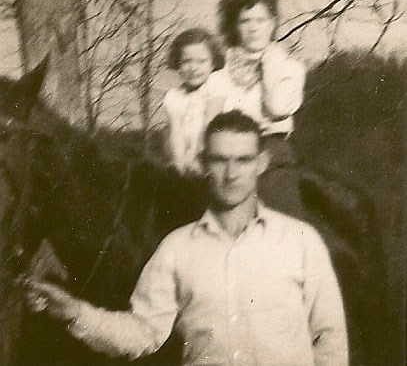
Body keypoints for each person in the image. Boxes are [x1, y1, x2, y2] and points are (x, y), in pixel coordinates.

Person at [26, 111, 348, 366]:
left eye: (243, 160)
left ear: (261, 164)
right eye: (219, 160)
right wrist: (75, 312)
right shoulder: (176, 248)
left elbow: (330, 338)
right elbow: (142, 333)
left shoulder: (301, 241)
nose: (231, 174)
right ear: (203, 163)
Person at [206, 0, 306, 168]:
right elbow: (211, 125)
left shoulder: (291, 68)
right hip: (228, 154)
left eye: (261, 20)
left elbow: (277, 108)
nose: (253, 28)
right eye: (245, 21)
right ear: (234, 26)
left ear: (272, 23)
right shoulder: (218, 78)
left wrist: (269, 63)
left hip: (273, 153)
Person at [163, 27, 224, 173]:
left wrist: (196, 157)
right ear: (177, 64)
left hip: (211, 153)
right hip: (185, 156)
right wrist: (179, 162)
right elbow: (176, 132)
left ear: (213, 64)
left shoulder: (216, 87)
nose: (193, 68)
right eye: (186, 61)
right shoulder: (174, 96)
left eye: (201, 61)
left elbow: (210, 124)